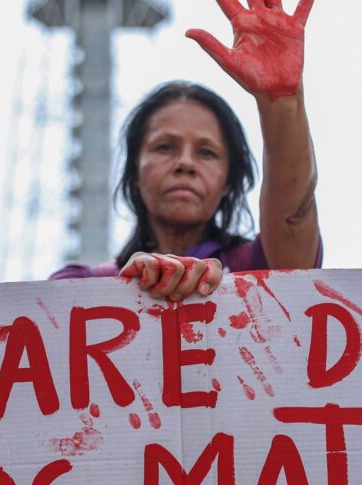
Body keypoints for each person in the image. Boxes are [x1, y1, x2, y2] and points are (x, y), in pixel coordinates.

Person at [52, 0, 319, 301]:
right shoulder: (77, 287)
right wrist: (122, 292)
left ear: (229, 180)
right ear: (135, 172)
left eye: (206, 152)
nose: (185, 163)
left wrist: (282, 101)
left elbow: (293, 215)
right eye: (165, 147)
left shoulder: (261, 269)